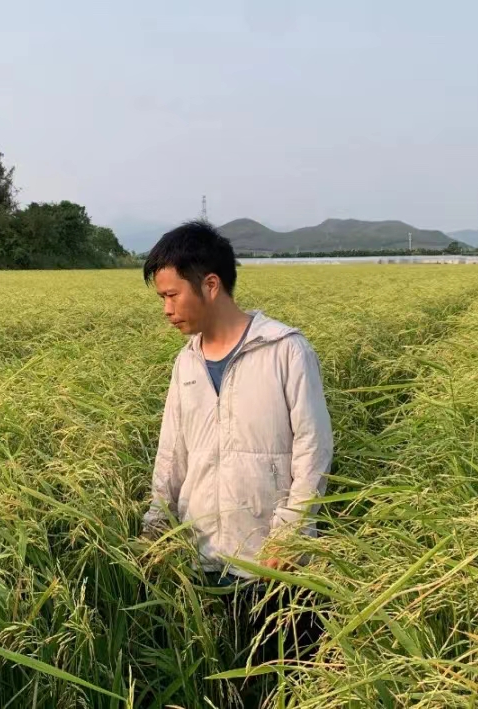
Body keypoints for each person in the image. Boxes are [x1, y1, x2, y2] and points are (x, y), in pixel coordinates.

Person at [139, 220, 334, 675]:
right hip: (204, 557)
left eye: (171, 295)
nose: (166, 309)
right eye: (161, 298)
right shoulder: (186, 363)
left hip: (274, 561)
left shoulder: (284, 350)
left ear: (210, 286)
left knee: (286, 675)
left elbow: (314, 450)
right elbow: (171, 453)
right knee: (222, 675)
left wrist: (289, 534)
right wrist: (155, 525)